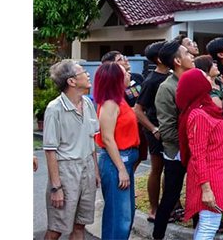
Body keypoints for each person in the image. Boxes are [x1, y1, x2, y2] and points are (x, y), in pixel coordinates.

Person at [42, 60, 100, 240]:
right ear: (71, 81)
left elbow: (91, 140)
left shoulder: (88, 104)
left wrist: (95, 171)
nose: (88, 74)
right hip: (66, 172)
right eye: (83, 71)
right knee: (56, 228)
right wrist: (56, 186)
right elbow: (50, 150)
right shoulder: (55, 109)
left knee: (80, 224)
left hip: (87, 168)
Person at [177, 68, 223, 239]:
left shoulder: (207, 107)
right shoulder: (199, 115)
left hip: (218, 173)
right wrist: (206, 189)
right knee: (209, 225)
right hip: (210, 177)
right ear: (197, 85)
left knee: (207, 224)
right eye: (204, 76)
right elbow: (198, 154)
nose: (208, 77)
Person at [152, 40, 195, 240]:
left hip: (196, 149)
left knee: (196, 193)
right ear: (177, 61)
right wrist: (190, 141)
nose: (192, 56)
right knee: (171, 196)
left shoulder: (194, 80)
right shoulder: (166, 88)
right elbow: (167, 129)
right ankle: (158, 235)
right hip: (177, 151)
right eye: (187, 54)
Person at [93, 62, 141, 240]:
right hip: (116, 162)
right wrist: (121, 169)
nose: (130, 75)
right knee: (118, 218)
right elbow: (107, 138)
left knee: (125, 216)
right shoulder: (110, 103)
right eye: (125, 73)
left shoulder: (119, 100)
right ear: (116, 79)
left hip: (124, 160)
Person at [132, 41, 170, 222]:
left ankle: (170, 204)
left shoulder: (172, 76)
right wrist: (153, 129)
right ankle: (154, 209)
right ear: (159, 58)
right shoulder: (151, 81)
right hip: (157, 131)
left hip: (170, 131)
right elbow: (138, 110)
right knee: (157, 169)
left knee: (170, 170)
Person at [102, 51, 149, 169]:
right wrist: (137, 111)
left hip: (142, 124)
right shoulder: (111, 94)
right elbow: (120, 111)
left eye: (124, 57)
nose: (126, 60)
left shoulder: (137, 77)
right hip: (126, 127)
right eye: (120, 59)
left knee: (139, 155)